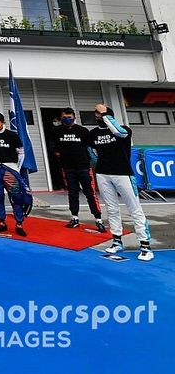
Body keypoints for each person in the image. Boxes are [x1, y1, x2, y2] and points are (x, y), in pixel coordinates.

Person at [90, 104, 152, 261]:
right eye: (97, 116)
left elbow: (119, 132)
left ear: (108, 116)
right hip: (103, 175)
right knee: (111, 209)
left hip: (123, 174)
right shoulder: (94, 133)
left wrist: (105, 114)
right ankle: (117, 241)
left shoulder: (124, 129)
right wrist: (97, 163)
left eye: (101, 115)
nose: (98, 118)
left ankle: (145, 245)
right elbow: (90, 149)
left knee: (135, 209)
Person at [51, 108, 105, 231]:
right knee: (72, 193)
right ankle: (74, 217)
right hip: (68, 168)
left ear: (74, 117)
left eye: (69, 117)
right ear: (61, 118)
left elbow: (91, 147)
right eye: (65, 117)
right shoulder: (56, 131)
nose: (67, 119)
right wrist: (58, 154)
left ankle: (98, 219)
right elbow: (53, 147)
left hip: (84, 167)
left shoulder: (83, 131)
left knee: (90, 194)